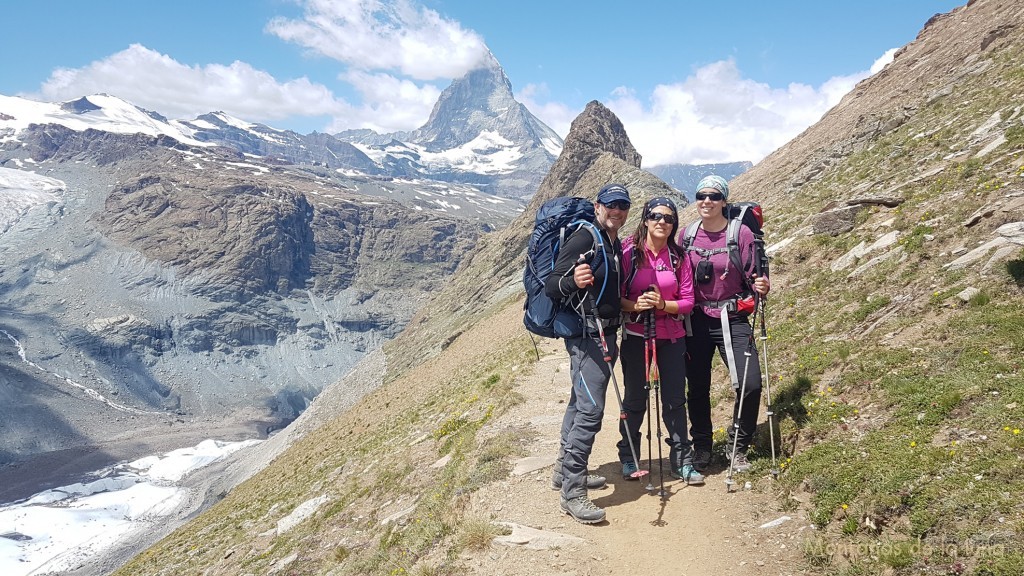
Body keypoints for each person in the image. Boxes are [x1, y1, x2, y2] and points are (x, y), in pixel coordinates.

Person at [546, 183, 631, 524]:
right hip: (587, 338)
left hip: (606, 333)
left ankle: (562, 472)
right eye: (611, 204)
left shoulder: (612, 240)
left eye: (623, 205)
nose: (617, 211)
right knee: (592, 412)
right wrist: (572, 282)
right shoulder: (585, 238)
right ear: (598, 206)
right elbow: (553, 285)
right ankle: (573, 492)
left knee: (578, 403)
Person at [682, 175, 770, 473]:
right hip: (694, 320)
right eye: (701, 195)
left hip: (732, 317)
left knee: (750, 383)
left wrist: (762, 286)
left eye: (714, 196)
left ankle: (738, 445)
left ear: (724, 201)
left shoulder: (740, 234)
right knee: (697, 387)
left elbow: (756, 273)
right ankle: (702, 446)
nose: (707, 201)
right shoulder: (687, 235)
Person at [617, 197, 703, 485]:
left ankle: (682, 461)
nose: (662, 222)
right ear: (645, 219)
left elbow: (689, 301)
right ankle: (629, 457)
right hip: (637, 337)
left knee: (675, 401)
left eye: (668, 218)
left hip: (672, 338)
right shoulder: (629, 252)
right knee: (634, 400)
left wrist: (663, 305)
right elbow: (616, 299)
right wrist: (636, 305)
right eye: (655, 216)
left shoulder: (679, 257)